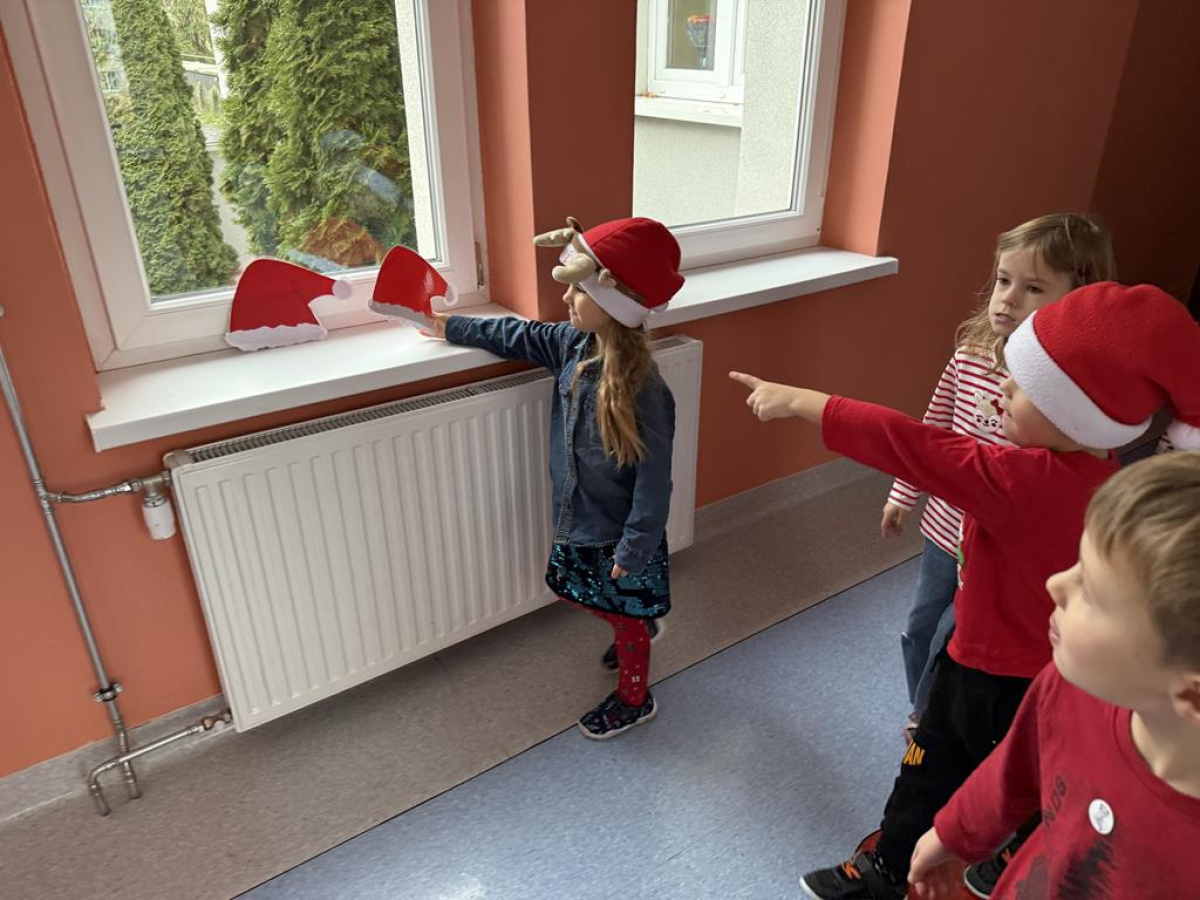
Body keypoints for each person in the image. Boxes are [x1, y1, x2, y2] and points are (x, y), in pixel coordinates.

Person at [729, 281, 1200, 899]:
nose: (1003, 390)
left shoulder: (1021, 481)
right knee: (1023, 777)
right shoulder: (1108, 479)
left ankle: (887, 870)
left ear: (1073, 411)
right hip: (1041, 665)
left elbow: (913, 444)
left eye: (1023, 387)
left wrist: (804, 401)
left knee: (930, 769)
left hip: (983, 669)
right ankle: (997, 856)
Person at [425, 216, 682, 739]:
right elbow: (517, 334)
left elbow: (655, 484)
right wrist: (450, 326)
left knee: (623, 615)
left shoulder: (645, 391)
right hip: (577, 518)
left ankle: (635, 698)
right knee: (570, 589)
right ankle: (636, 621)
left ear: (613, 302)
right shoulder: (570, 346)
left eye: (578, 291)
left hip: (620, 534)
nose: (565, 298)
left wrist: (634, 549)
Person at [909, 452, 1200, 899]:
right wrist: (953, 833)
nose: (1055, 584)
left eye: (1093, 594)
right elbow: (1015, 768)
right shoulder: (1069, 686)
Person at [883, 214, 1114, 753]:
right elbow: (932, 431)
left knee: (955, 637)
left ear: (1078, 298)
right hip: (946, 532)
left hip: (1001, 546)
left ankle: (930, 719)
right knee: (922, 627)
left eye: (1033, 288)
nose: (1007, 298)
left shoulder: (1068, 385)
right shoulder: (969, 354)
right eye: (1003, 280)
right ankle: (925, 704)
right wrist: (902, 493)